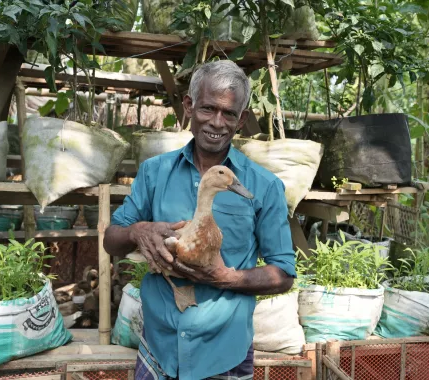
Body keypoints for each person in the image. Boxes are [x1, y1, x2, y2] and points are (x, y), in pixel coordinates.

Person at [103, 60, 296, 380]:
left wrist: (225, 278)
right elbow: (112, 240)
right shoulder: (154, 172)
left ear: (242, 118)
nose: (217, 122)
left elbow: (284, 274)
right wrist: (138, 231)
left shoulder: (263, 186)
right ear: (189, 106)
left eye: (229, 113)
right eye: (208, 108)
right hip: (159, 344)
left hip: (224, 350)